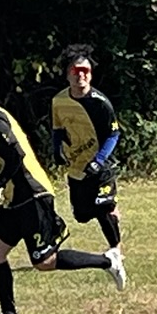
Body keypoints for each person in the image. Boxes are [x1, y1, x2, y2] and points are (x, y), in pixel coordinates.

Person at [0, 64, 123, 314]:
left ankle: (108, 261)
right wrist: (2, 188)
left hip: (33, 195)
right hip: (15, 198)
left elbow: (16, 155)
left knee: (45, 262)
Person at [48, 45, 126, 278]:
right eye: (76, 71)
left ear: (91, 74)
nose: (80, 75)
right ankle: (112, 209)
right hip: (76, 167)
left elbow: (114, 134)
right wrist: (56, 150)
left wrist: (99, 160)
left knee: (102, 207)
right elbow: (58, 129)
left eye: (85, 71)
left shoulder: (100, 103)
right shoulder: (59, 101)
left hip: (100, 168)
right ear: (67, 74)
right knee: (81, 215)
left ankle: (116, 252)